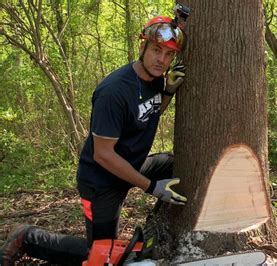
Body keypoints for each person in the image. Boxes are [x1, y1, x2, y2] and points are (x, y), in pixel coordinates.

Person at [0, 14, 188, 266]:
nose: (162, 60)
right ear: (142, 46)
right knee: (101, 255)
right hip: (100, 182)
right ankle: (27, 237)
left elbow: (149, 112)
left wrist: (168, 91)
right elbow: (103, 154)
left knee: (174, 164)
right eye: (156, 50)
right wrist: (151, 187)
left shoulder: (155, 80)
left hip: (129, 166)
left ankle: (157, 228)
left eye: (168, 55)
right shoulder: (114, 91)